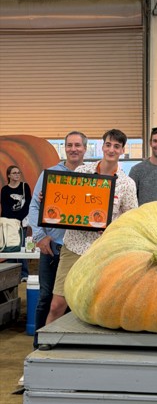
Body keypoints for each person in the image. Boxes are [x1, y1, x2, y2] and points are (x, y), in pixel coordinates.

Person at [45, 129, 138, 326]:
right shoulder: (82, 172)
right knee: (57, 305)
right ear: (102, 146)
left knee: (97, 307)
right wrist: (49, 200)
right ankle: (45, 342)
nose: (111, 150)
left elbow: (131, 220)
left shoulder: (127, 184)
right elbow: (68, 202)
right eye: (108, 145)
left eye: (117, 146)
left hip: (103, 253)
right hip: (73, 247)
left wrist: (111, 228)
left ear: (122, 150)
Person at [28, 131, 88, 348]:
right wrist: (40, 236)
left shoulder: (91, 176)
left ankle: (68, 345)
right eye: (69, 145)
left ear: (85, 149)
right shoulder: (50, 175)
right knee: (46, 297)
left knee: (73, 299)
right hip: (52, 246)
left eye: (78, 145)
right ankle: (39, 344)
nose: (73, 149)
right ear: (65, 148)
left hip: (79, 250)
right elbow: (35, 206)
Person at [0, 165, 31, 281]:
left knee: (22, 247)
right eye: (14, 173)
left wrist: (19, 219)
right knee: (11, 247)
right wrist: (12, 221)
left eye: (18, 172)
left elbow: (27, 204)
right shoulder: (5, 190)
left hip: (21, 222)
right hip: (9, 224)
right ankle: (11, 275)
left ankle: (24, 274)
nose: (17, 175)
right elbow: (5, 208)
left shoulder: (24, 186)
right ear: (9, 175)